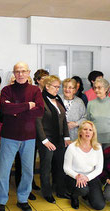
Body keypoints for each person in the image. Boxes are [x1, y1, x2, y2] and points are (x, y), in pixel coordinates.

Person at [0, 62, 44, 211]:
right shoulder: (7, 90)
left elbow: (40, 111)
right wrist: (27, 106)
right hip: (9, 136)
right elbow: (5, 109)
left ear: (28, 72)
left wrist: (16, 108)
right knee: (3, 171)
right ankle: (1, 201)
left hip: (29, 138)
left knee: (28, 172)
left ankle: (23, 199)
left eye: (23, 71)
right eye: (17, 71)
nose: (20, 74)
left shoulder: (35, 91)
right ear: (14, 73)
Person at [36, 75, 71, 203]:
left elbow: (63, 119)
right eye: (55, 87)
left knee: (60, 165)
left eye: (58, 87)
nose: (58, 89)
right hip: (46, 139)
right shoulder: (40, 99)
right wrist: (44, 140)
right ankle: (47, 192)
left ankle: (61, 191)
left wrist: (66, 136)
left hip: (59, 138)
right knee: (46, 167)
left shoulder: (57, 99)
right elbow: (37, 121)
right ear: (47, 86)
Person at [64, 121, 105, 210]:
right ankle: (74, 196)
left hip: (91, 177)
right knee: (83, 190)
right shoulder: (72, 147)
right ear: (80, 132)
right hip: (75, 177)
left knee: (99, 206)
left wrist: (87, 178)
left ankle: (88, 194)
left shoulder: (97, 147)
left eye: (90, 130)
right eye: (85, 129)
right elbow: (66, 168)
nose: (88, 132)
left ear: (93, 133)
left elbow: (99, 169)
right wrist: (77, 176)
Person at [87, 78, 110, 149]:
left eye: (99, 88)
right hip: (95, 139)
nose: (96, 90)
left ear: (106, 89)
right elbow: (88, 122)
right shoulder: (90, 103)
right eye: (95, 88)